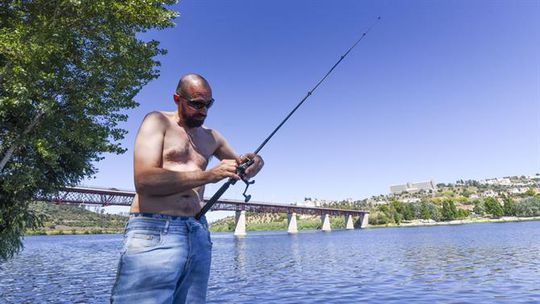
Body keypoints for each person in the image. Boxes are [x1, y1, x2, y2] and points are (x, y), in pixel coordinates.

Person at [110, 74, 264, 303]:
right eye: (196, 103)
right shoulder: (157, 121)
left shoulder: (213, 138)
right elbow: (144, 180)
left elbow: (242, 165)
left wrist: (256, 162)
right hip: (154, 227)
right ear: (177, 98)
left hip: (197, 231)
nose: (203, 111)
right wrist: (208, 176)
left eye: (208, 104)